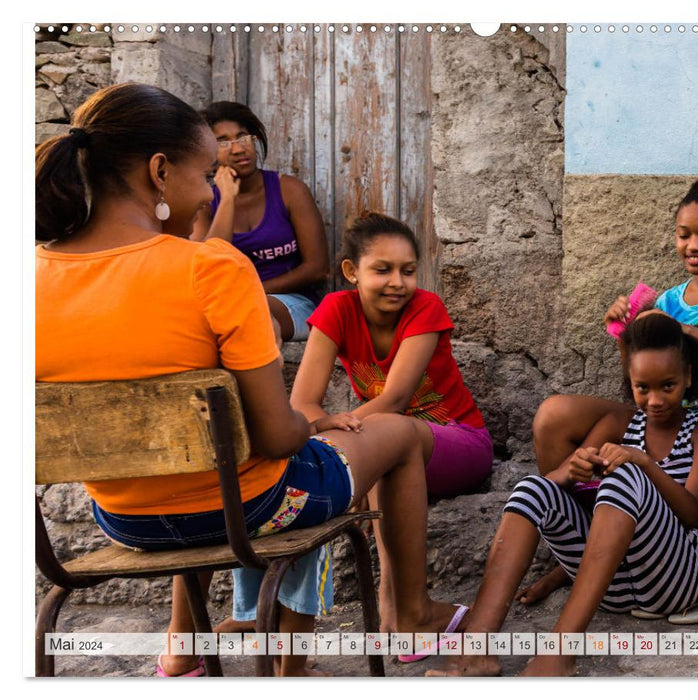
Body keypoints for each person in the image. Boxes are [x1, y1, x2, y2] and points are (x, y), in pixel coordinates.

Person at [35, 82, 465, 677]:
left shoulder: (28, 276)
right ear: (160, 171)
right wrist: (310, 423)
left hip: (122, 516)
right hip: (253, 508)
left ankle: (181, 649)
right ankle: (407, 618)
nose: (213, 189)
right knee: (399, 434)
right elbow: (278, 439)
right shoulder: (211, 268)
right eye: (206, 172)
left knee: (199, 471)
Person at [524, 177, 698, 616]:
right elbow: (643, 378)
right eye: (684, 234)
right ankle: (579, 551)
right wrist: (624, 331)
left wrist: (680, 328)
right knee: (554, 414)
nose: (693, 245)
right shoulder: (670, 300)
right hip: (672, 413)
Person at [427, 314, 698, 676]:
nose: (655, 399)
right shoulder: (620, 425)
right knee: (531, 488)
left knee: (625, 477)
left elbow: (692, 513)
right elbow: (559, 479)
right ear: (630, 383)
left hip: (680, 580)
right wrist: (576, 470)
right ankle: (477, 648)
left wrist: (644, 463)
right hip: (617, 589)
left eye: (668, 386)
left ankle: (559, 654)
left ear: (688, 378)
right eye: (642, 387)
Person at [238, 211, 491, 637]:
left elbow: (394, 400)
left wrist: (340, 432)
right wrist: (337, 431)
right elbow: (303, 403)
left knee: (386, 435)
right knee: (359, 447)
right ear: (352, 272)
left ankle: (393, 603)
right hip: (386, 440)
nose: (398, 282)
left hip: (457, 443)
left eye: (408, 271)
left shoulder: (425, 308)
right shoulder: (337, 309)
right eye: (383, 269)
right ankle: (274, 616)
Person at [191, 101, 329, 344]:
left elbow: (317, 268)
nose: (237, 149)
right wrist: (227, 200)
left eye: (242, 137)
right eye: (223, 142)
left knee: (247, 312)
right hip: (226, 304)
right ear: (209, 152)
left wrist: (254, 290)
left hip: (292, 302)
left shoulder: (289, 190)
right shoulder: (205, 202)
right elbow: (206, 266)